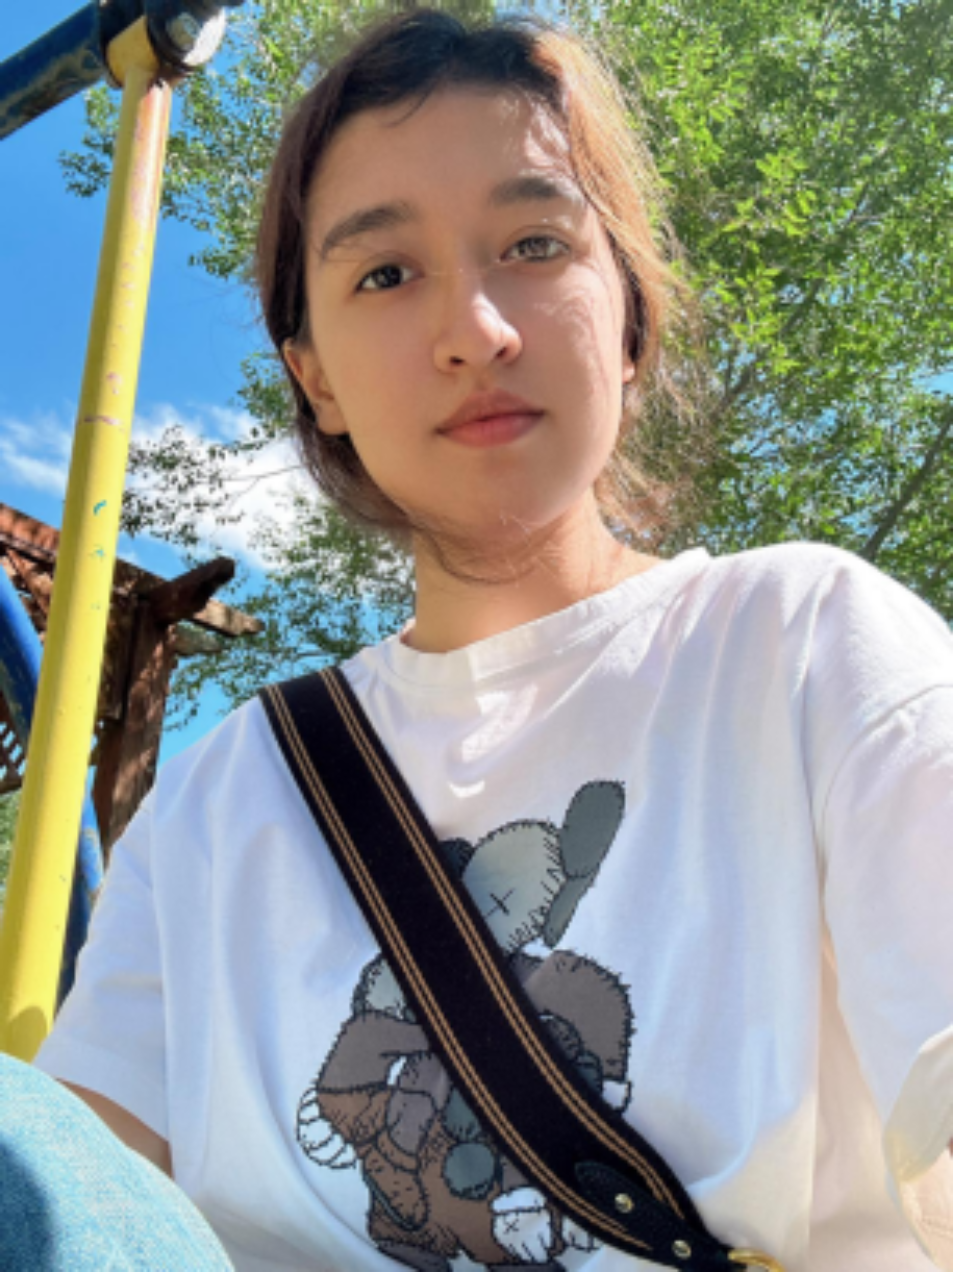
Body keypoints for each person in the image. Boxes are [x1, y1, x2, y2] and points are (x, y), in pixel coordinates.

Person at [18, 8, 952, 1272]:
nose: (476, 329)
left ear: (628, 318)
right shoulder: (216, 806)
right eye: (384, 274)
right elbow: (72, 1199)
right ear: (316, 376)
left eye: (534, 244)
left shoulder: (808, 648)